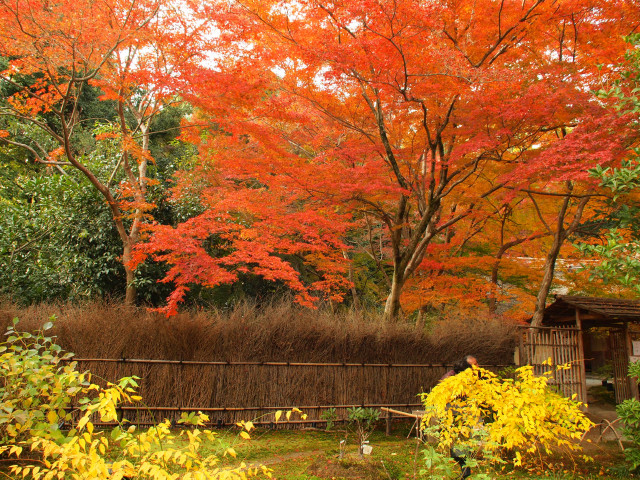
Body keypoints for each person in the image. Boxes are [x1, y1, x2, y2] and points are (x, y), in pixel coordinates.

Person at [440, 355, 478, 479]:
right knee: (455, 447)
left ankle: (466, 471)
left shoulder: (475, 376)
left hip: (468, 415)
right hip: (454, 414)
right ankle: (465, 469)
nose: (477, 366)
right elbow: (442, 391)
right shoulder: (451, 377)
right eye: (474, 365)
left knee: (467, 444)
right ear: (466, 367)